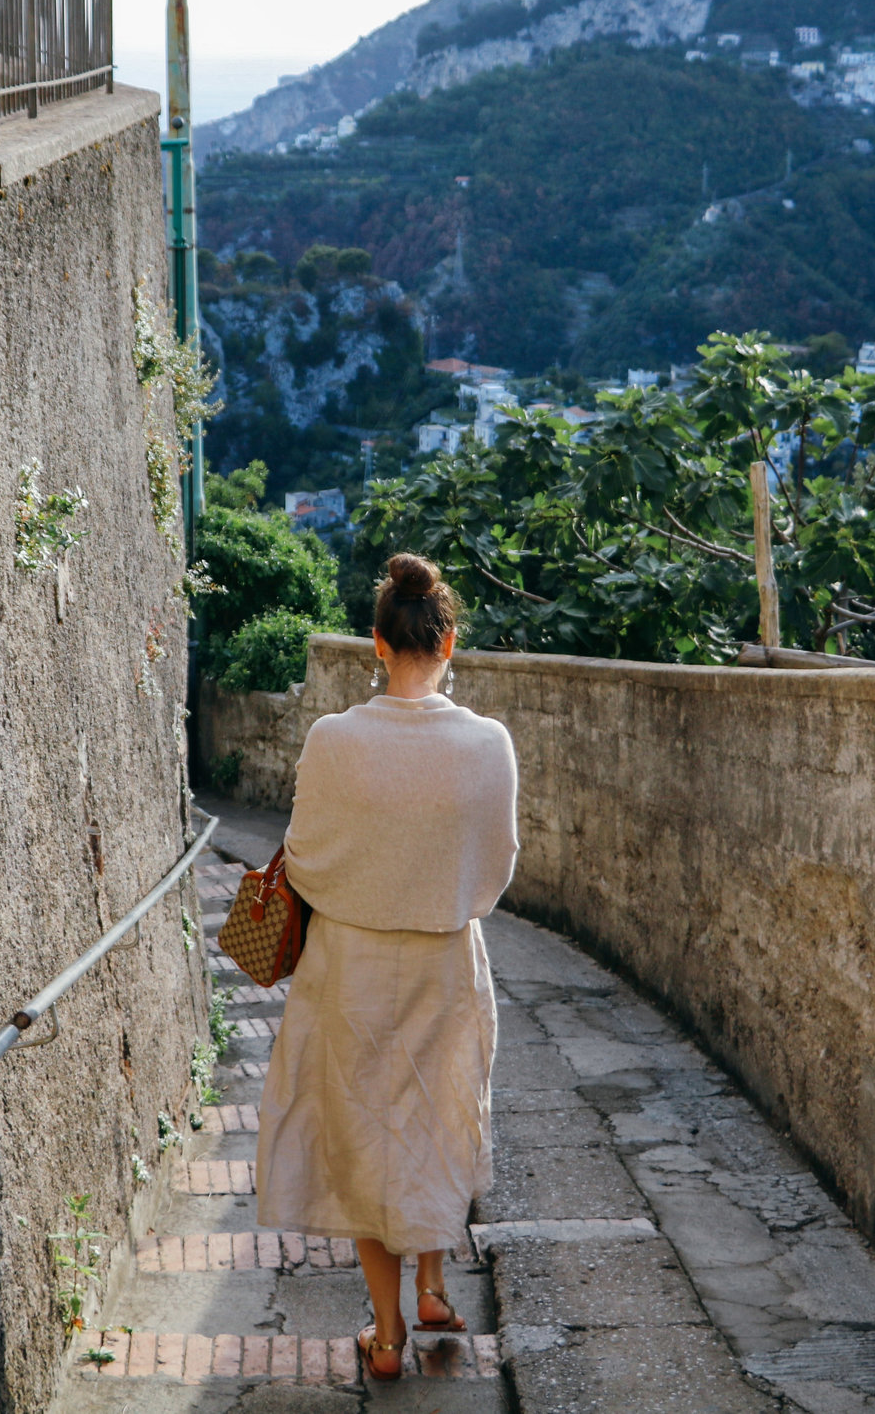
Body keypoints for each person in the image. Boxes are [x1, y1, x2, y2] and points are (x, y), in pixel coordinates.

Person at [252, 553, 520, 1380]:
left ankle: (392, 1330)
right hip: (444, 960)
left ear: (377, 643)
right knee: (436, 1121)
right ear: (449, 643)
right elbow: (498, 864)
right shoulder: (487, 744)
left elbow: (302, 859)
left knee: (368, 1131)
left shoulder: (335, 740)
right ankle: (435, 1282)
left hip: (351, 968)